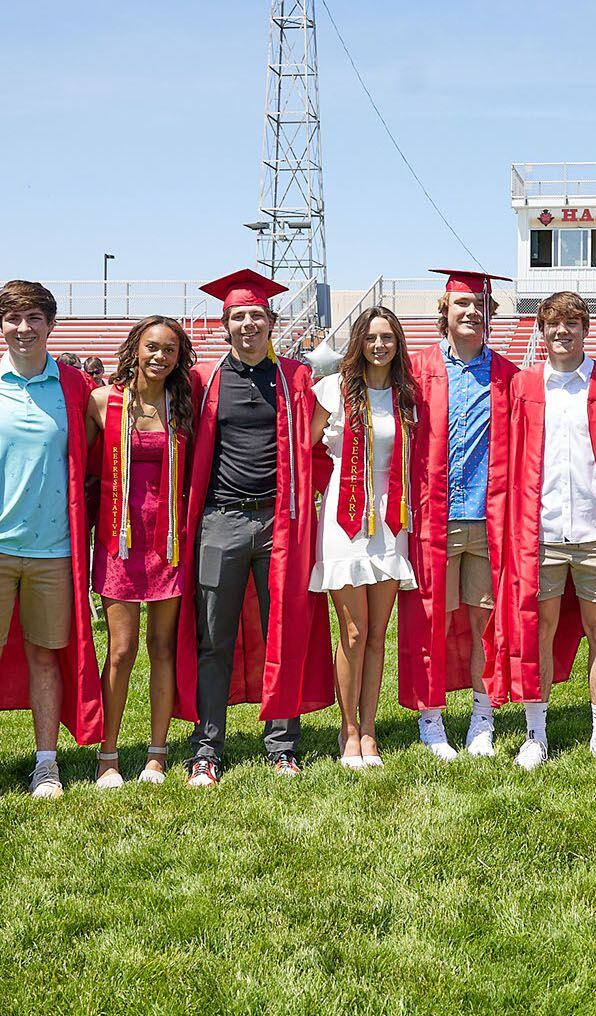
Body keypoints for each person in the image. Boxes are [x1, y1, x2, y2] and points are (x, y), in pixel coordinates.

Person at [0, 281, 103, 807]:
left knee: (45, 657)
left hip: (54, 550)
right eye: (13, 318)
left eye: (34, 317)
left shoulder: (74, 387)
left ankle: (46, 765)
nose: (24, 328)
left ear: (50, 324)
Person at [174, 269, 334, 785]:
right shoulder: (204, 382)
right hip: (221, 519)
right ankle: (206, 747)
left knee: (281, 633)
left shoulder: (295, 378)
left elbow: (319, 446)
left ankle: (282, 744)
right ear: (225, 324)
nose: (248, 324)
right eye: (239, 316)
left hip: (279, 521)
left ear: (272, 321)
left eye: (257, 316)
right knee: (213, 636)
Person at [498, 291, 596, 771]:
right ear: (540, 329)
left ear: (585, 329)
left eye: (572, 324)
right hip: (542, 530)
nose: (562, 333)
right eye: (553, 324)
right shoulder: (524, 386)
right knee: (541, 632)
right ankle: (536, 733)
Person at [396, 269, 518, 760]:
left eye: (479, 304)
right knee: (433, 621)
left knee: (484, 621)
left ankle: (482, 716)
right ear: (444, 312)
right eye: (462, 303)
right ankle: (431, 717)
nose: (471, 312)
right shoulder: (417, 369)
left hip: (488, 518)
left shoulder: (508, 375)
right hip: (434, 518)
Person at [86, 315, 195, 788]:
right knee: (122, 648)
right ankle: (108, 755)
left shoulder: (184, 407)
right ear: (135, 349)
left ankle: (156, 752)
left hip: (168, 540)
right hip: (120, 539)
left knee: (163, 647)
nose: (160, 357)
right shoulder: (102, 402)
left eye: (169, 350)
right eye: (152, 347)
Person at [309, 306, 419, 768]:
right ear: (359, 342)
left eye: (388, 338)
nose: (379, 345)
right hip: (344, 518)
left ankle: (370, 728)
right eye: (371, 337)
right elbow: (305, 447)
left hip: (390, 520)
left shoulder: (405, 396)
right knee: (352, 631)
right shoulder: (331, 390)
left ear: (397, 345)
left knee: (377, 634)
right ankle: (347, 729)